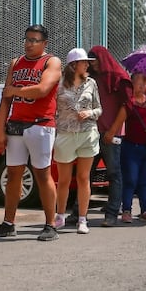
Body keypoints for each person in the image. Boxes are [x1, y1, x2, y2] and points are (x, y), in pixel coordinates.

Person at [0, 24, 62, 241]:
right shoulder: (16, 63)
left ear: (44, 43)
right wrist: (0, 130)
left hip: (40, 124)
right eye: (27, 39)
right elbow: (5, 99)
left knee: (42, 174)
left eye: (34, 40)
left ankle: (50, 224)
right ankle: (8, 222)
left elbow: (42, 90)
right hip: (16, 124)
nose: (29, 44)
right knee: (14, 173)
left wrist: (15, 90)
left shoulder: (51, 62)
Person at [53, 48, 100, 234]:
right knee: (64, 179)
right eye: (84, 62)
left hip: (87, 133)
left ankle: (82, 219)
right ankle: (60, 216)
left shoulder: (91, 83)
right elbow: (52, 108)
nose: (87, 64)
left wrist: (89, 113)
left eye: (87, 62)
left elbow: (99, 108)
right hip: (65, 134)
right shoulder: (59, 84)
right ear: (73, 65)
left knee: (83, 177)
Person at [87, 45, 131, 227]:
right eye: (90, 62)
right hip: (91, 133)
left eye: (95, 60)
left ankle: (112, 213)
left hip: (110, 135)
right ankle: (78, 211)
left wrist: (112, 130)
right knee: (85, 174)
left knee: (113, 174)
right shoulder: (91, 78)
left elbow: (127, 106)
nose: (93, 64)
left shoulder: (119, 77)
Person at [118, 71, 146, 223]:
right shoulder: (129, 102)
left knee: (145, 181)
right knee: (130, 180)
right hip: (130, 146)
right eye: (138, 83)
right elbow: (120, 120)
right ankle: (126, 210)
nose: (141, 85)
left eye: (143, 83)